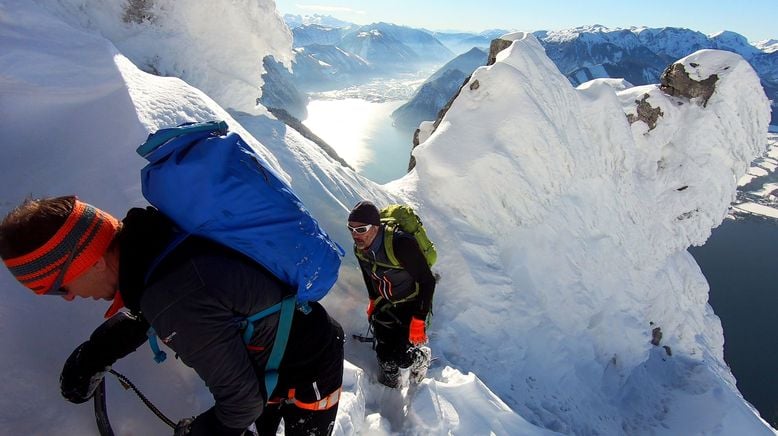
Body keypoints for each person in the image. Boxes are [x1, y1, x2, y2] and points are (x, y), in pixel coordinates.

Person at [0, 196, 344, 436]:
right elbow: (160, 309)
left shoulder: (172, 292)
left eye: (59, 286)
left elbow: (241, 404)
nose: (70, 297)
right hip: (278, 346)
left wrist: (201, 432)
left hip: (309, 363)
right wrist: (96, 353)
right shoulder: (155, 242)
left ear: (92, 259)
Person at [347, 200, 435, 388]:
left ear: (375, 228)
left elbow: (427, 281)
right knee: (385, 354)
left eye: (361, 229)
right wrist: (373, 300)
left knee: (402, 356)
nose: (355, 234)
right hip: (385, 302)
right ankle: (388, 389)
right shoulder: (360, 248)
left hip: (411, 303)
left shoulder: (401, 243)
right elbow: (367, 274)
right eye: (351, 229)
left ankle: (421, 359)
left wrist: (419, 318)